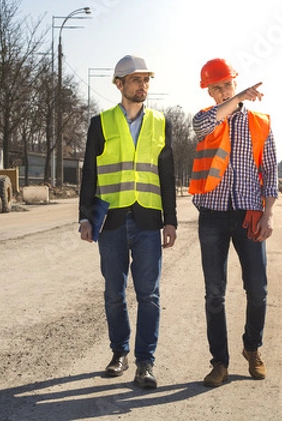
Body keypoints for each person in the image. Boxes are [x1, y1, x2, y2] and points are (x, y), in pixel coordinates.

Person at [79, 54, 177, 390]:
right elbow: (90, 173)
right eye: (136, 80)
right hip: (112, 221)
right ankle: (119, 352)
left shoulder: (161, 123)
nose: (143, 85)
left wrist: (171, 221)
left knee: (149, 295)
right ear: (119, 84)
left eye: (146, 79)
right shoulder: (101, 122)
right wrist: (85, 218)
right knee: (113, 293)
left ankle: (145, 363)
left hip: (149, 221)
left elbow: (167, 174)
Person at [189, 58, 278, 387]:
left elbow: (270, 172)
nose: (224, 90)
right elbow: (205, 125)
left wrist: (268, 213)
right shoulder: (205, 120)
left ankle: (252, 349)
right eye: (218, 87)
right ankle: (219, 363)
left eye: (228, 84)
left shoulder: (260, 122)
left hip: (249, 214)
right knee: (214, 293)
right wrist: (237, 98)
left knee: (258, 289)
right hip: (212, 215)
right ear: (210, 92)